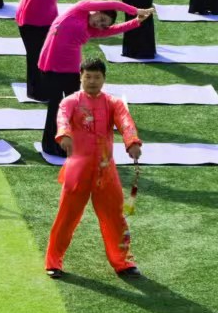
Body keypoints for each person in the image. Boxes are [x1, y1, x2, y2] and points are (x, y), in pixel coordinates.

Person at [43, 58, 143, 280]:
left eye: (97, 77)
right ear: (80, 77)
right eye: (88, 76)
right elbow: (62, 120)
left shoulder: (113, 103)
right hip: (77, 171)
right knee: (66, 218)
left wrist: (132, 142)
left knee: (115, 218)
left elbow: (125, 122)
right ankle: (53, 262)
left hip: (106, 172)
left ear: (104, 79)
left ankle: (123, 262)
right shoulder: (69, 102)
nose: (92, 81)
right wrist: (64, 135)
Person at [37, 4, 151, 158]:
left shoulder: (91, 29)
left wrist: (136, 21)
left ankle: (69, 144)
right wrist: (135, 11)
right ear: (97, 11)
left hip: (72, 70)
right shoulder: (79, 9)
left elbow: (112, 30)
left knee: (73, 109)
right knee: (55, 108)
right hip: (52, 67)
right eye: (102, 19)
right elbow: (113, 4)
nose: (100, 24)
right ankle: (50, 145)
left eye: (104, 24)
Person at [17, 0, 106, 100]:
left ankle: (46, 90)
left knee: (45, 56)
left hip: (49, 22)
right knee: (34, 55)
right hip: (29, 20)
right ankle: (36, 91)